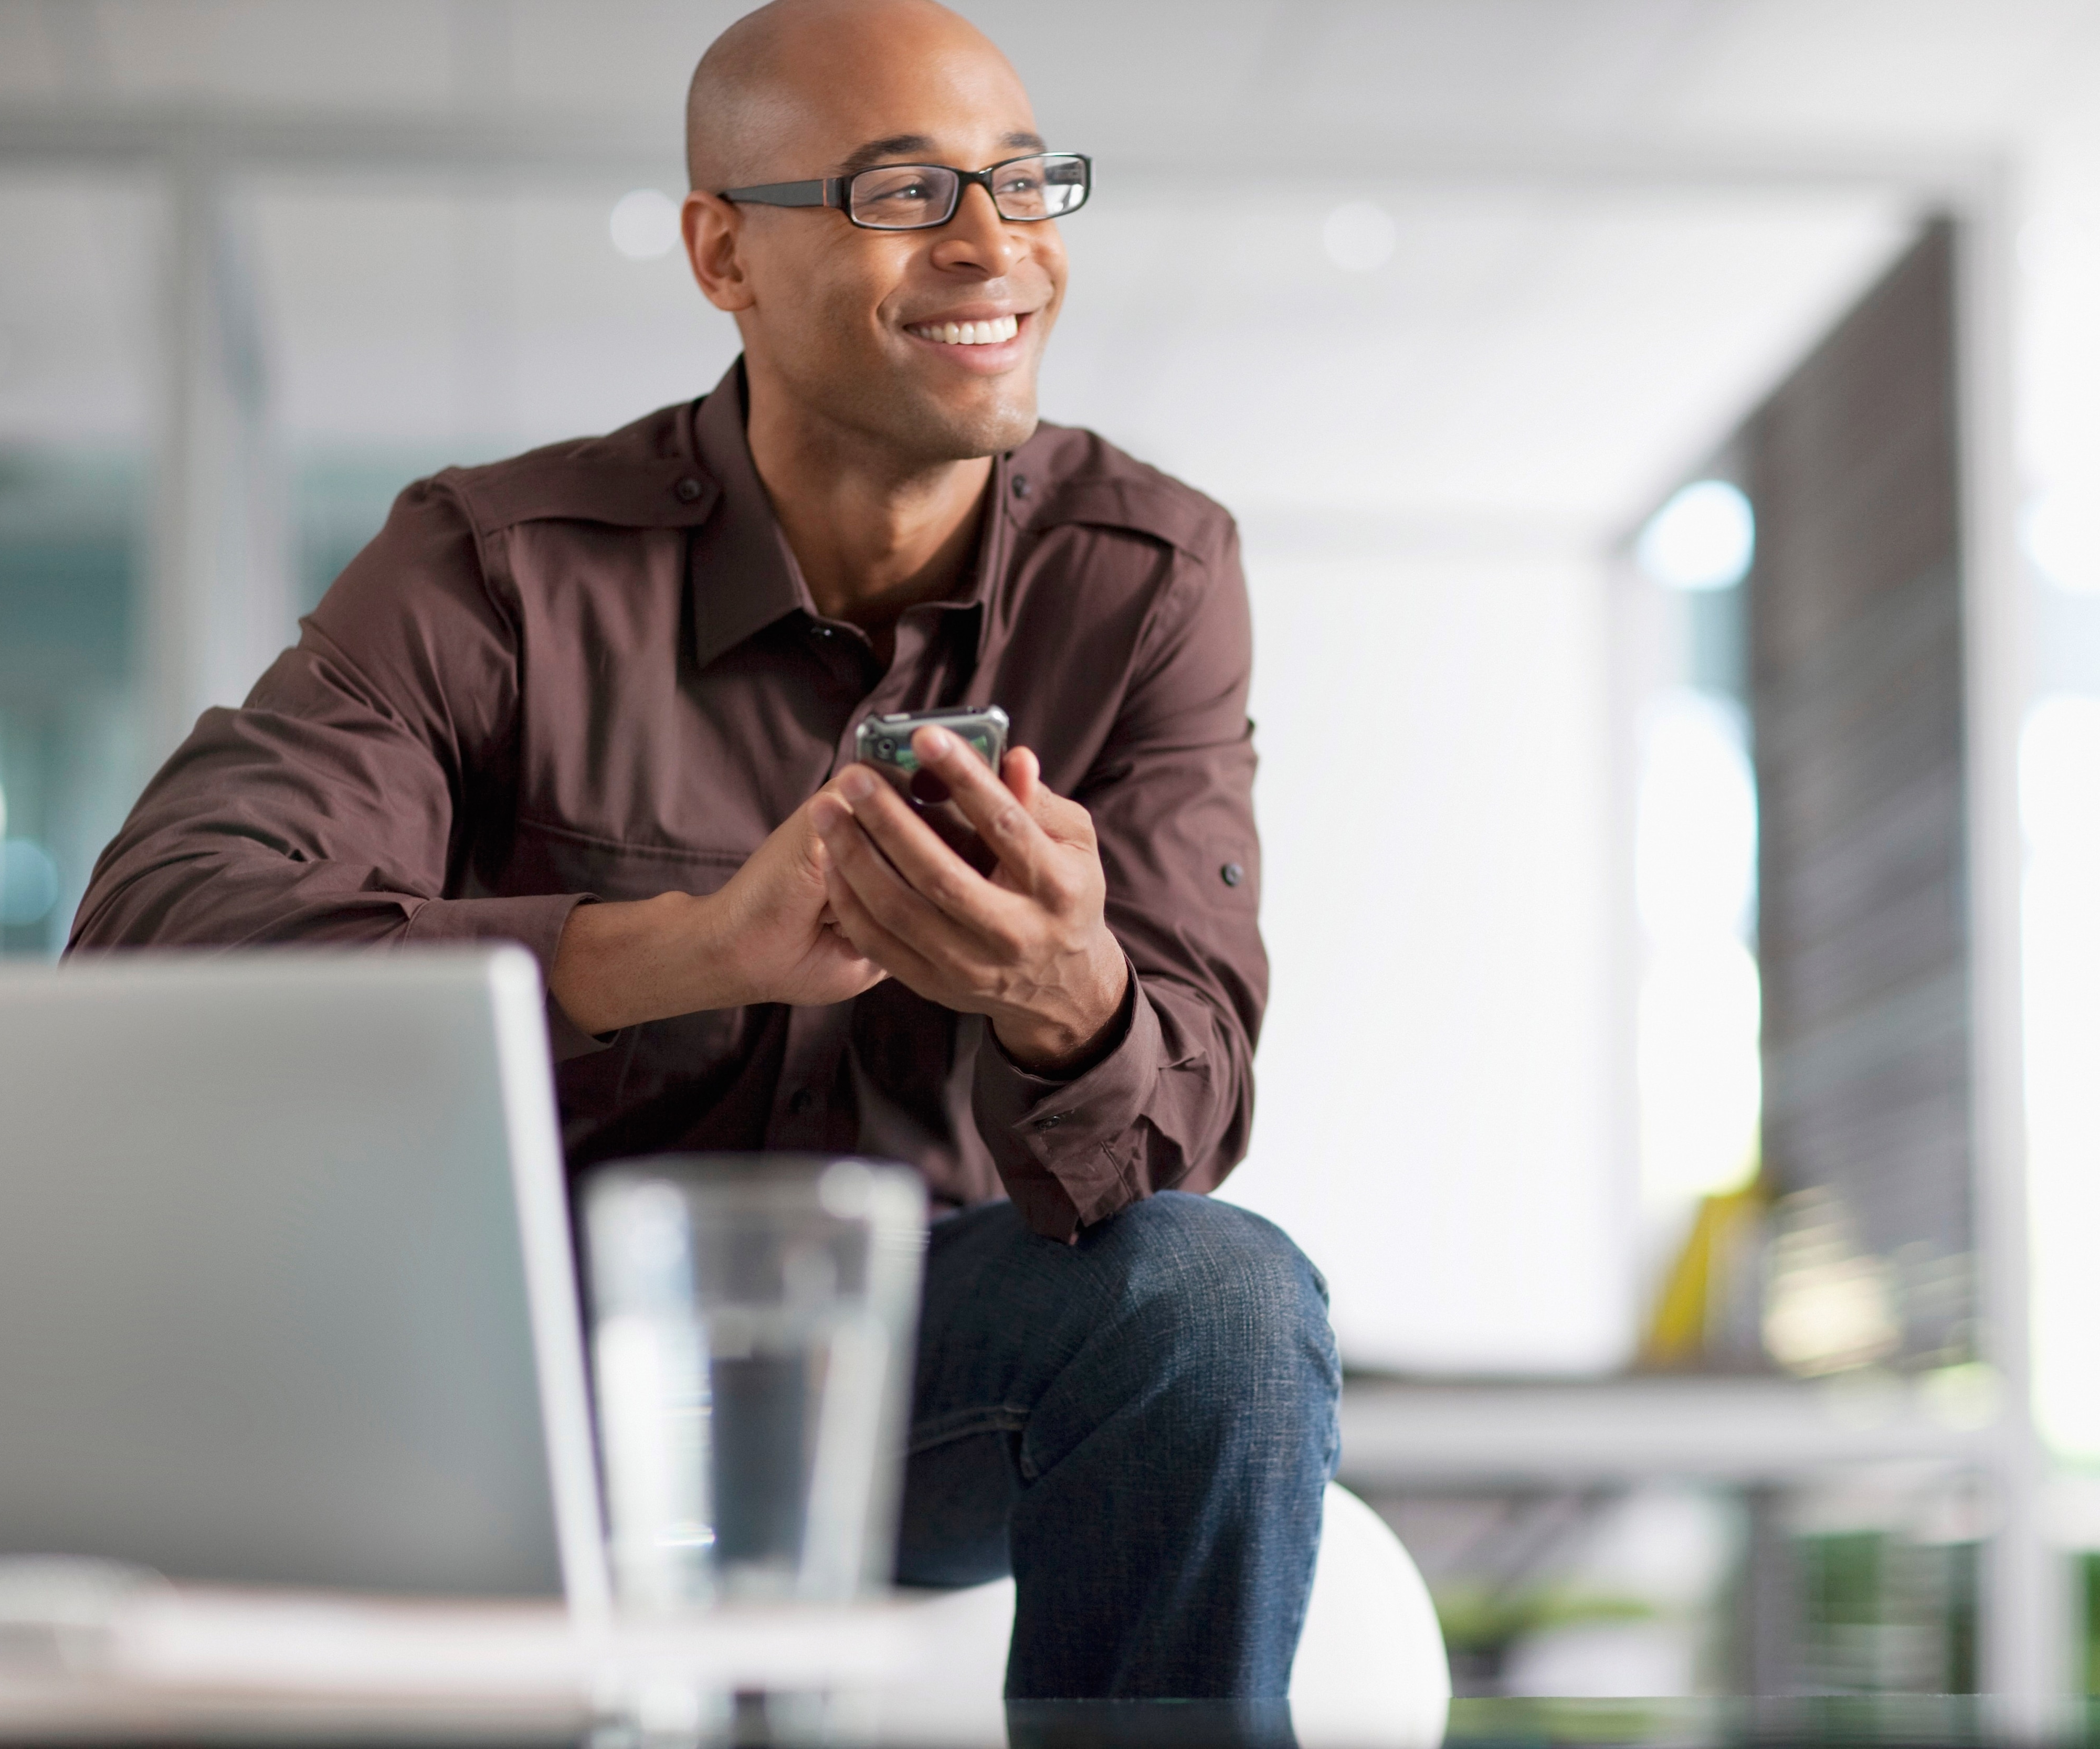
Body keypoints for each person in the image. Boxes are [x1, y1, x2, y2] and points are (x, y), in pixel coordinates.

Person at [67, 0, 1337, 1703]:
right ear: (722, 250)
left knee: (1219, 1304)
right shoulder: (497, 567)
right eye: (902, 195)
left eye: (1026, 185)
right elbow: (160, 943)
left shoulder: (1148, 579)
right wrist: (683, 947)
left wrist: (1066, 989)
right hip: (521, 1379)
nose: (994, 247)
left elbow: (1169, 1135)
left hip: (917, 1369)